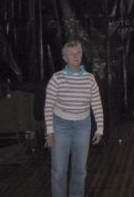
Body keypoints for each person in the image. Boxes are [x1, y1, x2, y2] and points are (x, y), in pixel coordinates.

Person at [44, 41, 104, 197]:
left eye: (78, 53)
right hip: (60, 125)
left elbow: (96, 105)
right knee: (59, 169)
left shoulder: (90, 79)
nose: (76, 56)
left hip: (83, 126)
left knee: (80, 169)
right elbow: (48, 106)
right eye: (72, 53)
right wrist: (50, 131)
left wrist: (100, 128)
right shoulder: (57, 78)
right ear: (65, 58)